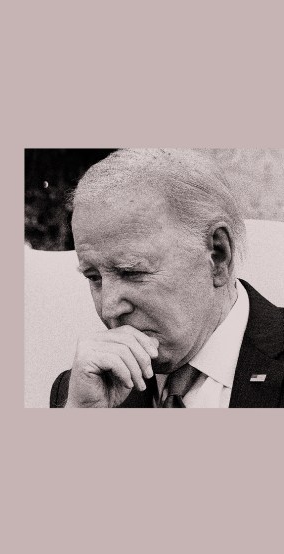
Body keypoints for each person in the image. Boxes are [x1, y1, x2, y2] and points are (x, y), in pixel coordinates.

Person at [50, 148, 284, 408]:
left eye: (131, 272)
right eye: (94, 278)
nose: (109, 308)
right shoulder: (81, 392)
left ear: (218, 256)